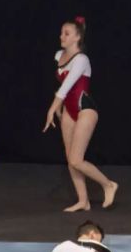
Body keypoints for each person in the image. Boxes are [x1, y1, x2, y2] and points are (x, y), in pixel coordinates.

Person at [42, 17, 118, 212]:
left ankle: (108, 184)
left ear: (77, 37)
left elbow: (68, 86)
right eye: (61, 33)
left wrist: (52, 109)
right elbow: (61, 87)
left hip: (85, 109)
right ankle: (83, 200)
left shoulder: (82, 59)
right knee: (71, 161)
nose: (61, 36)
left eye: (66, 33)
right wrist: (58, 106)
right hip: (69, 110)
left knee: (77, 159)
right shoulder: (59, 56)